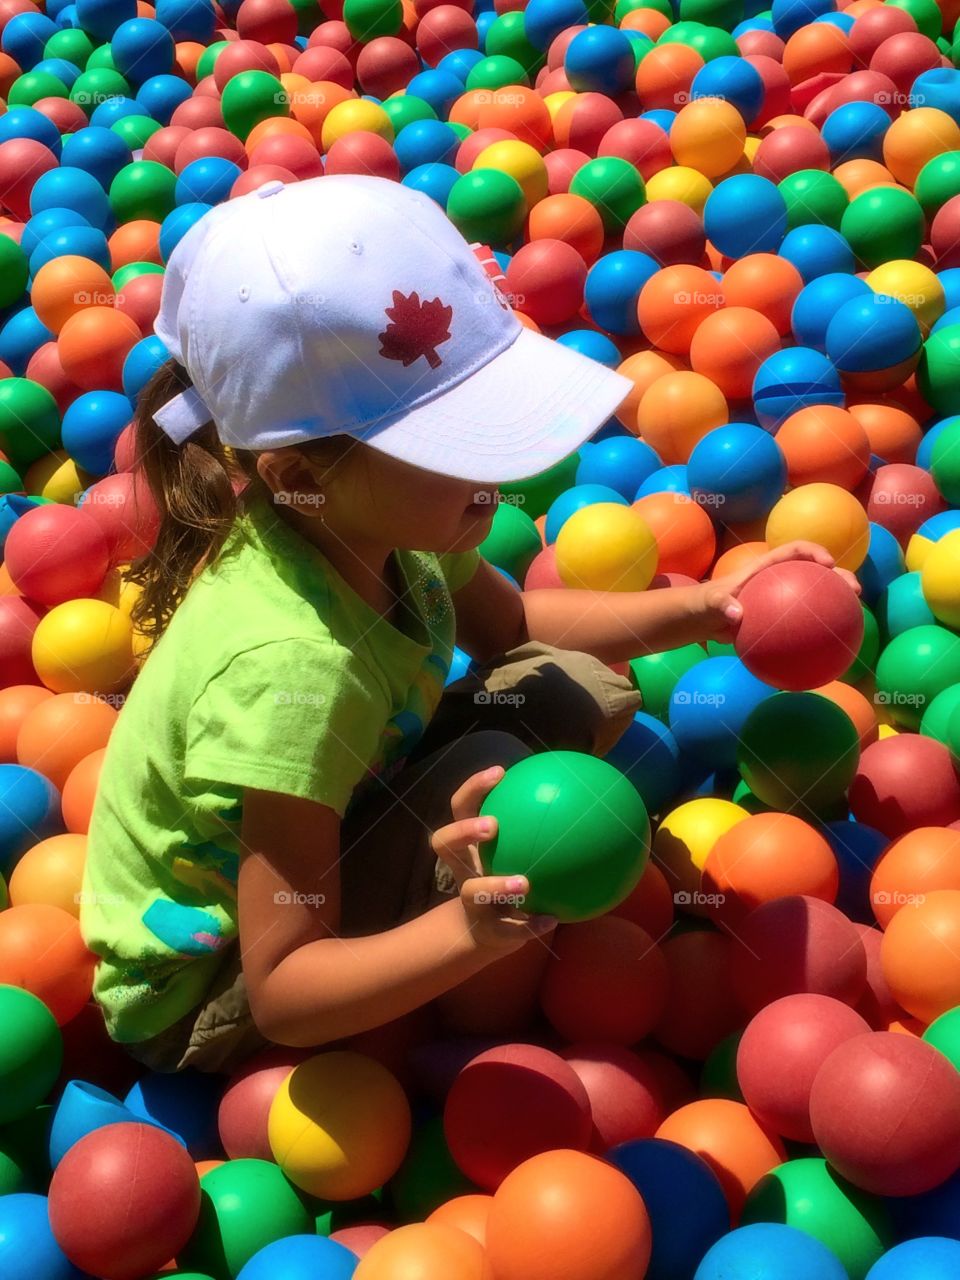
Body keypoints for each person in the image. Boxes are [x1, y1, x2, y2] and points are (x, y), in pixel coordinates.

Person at [81, 174, 844, 1072]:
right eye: (453, 445)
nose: (497, 473)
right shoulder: (293, 670)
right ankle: (462, 1028)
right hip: (214, 987)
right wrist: (467, 933)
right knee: (514, 813)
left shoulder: (369, 518)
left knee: (578, 690)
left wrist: (708, 606)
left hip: (349, 807)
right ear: (306, 471)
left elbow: (515, 623)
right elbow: (284, 987)